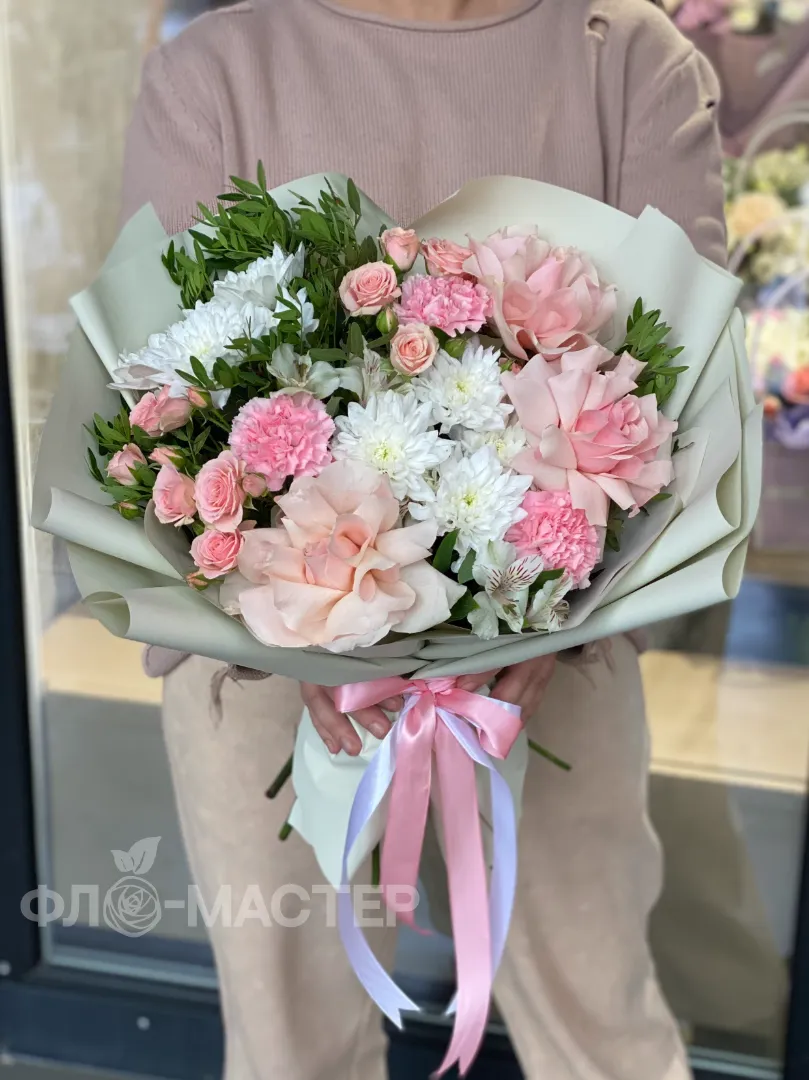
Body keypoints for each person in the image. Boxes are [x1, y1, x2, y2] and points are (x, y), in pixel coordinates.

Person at [120, 2, 727, 1078]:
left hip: (555, 661)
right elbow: (156, 398)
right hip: (260, 663)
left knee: (601, 1032)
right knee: (291, 1053)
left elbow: (684, 400)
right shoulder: (215, 70)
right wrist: (293, 642)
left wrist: (552, 628)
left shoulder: (629, 59)